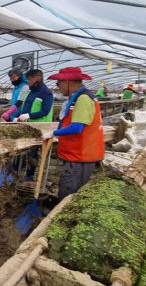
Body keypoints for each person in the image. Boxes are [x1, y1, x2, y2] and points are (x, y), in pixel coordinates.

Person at [42, 66, 104, 200]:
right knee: (70, 190)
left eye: (59, 84)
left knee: (69, 194)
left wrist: (54, 132)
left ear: (68, 82)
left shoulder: (83, 99)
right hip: (77, 153)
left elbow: (76, 127)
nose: (58, 86)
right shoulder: (77, 98)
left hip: (80, 156)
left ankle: (61, 217)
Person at [13, 69, 53, 179]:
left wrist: (29, 116)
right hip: (26, 127)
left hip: (38, 129)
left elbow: (45, 111)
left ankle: (28, 177)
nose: (28, 81)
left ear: (38, 78)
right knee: (19, 152)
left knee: (32, 154)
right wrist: (19, 118)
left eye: (30, 79)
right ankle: (13, 174)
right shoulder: (31, 91)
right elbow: (25, 106)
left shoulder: (46, 93)